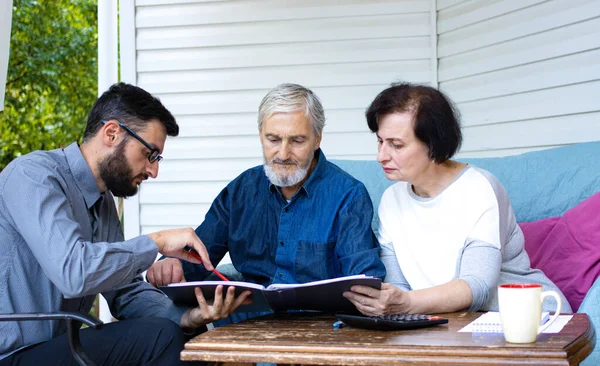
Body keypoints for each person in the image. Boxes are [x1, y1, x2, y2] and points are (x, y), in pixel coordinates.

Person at [0, 82, 251, 365]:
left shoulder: (103, 201)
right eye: (149, 154)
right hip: (12, 354)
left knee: (185, 333)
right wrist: (157, 242)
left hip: (54, 347)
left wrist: (188, 316)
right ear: (111, 133)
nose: (154, 171)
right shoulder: (34, 177)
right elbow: (73, 272)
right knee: (162, 337)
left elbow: (124, 290)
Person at [343, 82, 570, 315]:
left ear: (433, 145)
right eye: (380, 141)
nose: (381, 156)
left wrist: (406, 303)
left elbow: (478, 286)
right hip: (447, 324)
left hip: (526, 319)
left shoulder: (479, 189)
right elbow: (399, 291)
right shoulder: (391, 200)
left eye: (396, 145)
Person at [147, 83, 386, 303]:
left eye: (297, 141)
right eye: (273, 139)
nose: (283, 153)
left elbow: (364, 283)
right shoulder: (240, 192)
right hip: (244, 325)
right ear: (261, 135)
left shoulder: (348, 196)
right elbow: (198, 259)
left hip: (319, 330)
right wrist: (171, 265)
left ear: (317, 140)